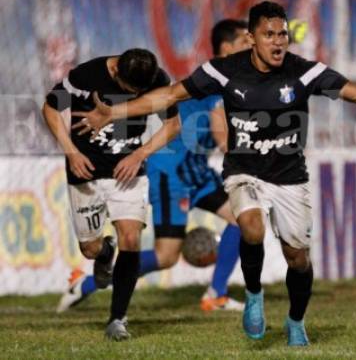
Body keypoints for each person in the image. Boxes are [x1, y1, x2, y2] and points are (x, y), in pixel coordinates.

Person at [72, 1, 356, 346]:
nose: (278, 41)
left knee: (297, 257)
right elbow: (168, 96)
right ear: (251, 38)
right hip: (243, 172)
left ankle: (296, 321)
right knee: (249, 225)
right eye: (269, 34)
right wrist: (115, 112)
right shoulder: (223, 71)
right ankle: (253, 294)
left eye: (282, 33)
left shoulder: (304, 72)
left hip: (289, 177)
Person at [56, 20, 250, 315]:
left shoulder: (235, 79)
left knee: (243, 219)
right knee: (166, 256)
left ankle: (216, 294)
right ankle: (85, 284)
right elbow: (221, 133)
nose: (252, 48)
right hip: (171, 173)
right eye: (245, 43)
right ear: (226, 49)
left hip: (194, 170)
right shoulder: (218, 78)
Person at [43, 48, 181, 340]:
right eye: (131, 91)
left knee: (131, 238)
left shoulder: (157, 79)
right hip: (86, 171)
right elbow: (51, 108)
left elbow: (173, 125)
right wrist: (71, 152)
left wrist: (140, 154)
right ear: (116, 70)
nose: (136, 96)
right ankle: (105, 253)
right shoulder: (85, 76)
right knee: (90, 250)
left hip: (128, 172)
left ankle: (117, 318)